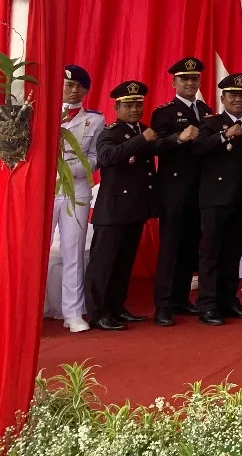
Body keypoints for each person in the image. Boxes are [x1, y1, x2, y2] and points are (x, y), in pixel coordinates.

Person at [84, 80, 156, 331]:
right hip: (112, 211)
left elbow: (159, 146)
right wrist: (141, 140)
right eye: (129, 105)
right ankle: (97, 313)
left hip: (135, 208)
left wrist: (178, 139)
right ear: (117, 108)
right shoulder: (110, 133)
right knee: (103, 265)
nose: (135, 109)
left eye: (138, 104)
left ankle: (116, 307)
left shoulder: (144, 130)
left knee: (123, 263)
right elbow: (107, 157)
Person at [193, 73, 242, 326]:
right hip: (216, 198)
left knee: (233, 252)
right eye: (233, 95)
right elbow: (197, 149)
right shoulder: (211, 123)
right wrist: (224, 135)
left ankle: (228, 300)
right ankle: (208, 304)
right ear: (223, 98)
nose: (238, 99)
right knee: (211, 253)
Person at [151, 56, 212, 326]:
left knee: (190, 246)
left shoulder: (206, 109)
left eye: (194, 78)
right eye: (184, 79)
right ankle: (163, 305)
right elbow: (155, 146)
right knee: (171, 248)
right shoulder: (164, 112)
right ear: (174, 82)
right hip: (174, 189)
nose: (190, 83)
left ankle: (180, 298)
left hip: (201, 189)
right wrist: (178, 138)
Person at [50, 64, 101, 333]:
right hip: (46, 190)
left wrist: (71, 169)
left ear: (86, 91)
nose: (73, 91)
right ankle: (32, 307)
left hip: (76, 190)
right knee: (37, 251)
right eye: (69, 85)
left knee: (74, 251)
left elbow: (95, 157)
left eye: (79, 87)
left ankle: (72, 312)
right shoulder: (41, 114)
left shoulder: (95, 120)